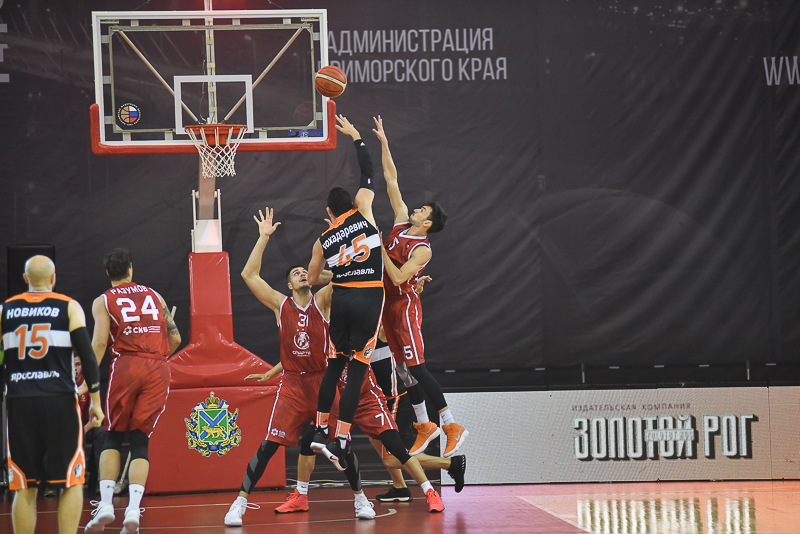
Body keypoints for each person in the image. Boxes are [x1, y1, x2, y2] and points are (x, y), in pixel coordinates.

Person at [224, 207, 343, 526]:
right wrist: (263, 237)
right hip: (293, 384)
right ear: (289, 285)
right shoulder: (281, 304)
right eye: (296, 273)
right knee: (269, 445)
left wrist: (336, 235)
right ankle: (239, 502)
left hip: (322, 381)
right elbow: (249, 275)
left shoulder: (322, 301)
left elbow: (345, 276)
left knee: (340, 443)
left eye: (305, 271)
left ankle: (359, 498)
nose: (303, 273)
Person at [372, 115, 468, 458]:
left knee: (416, 367)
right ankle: (425, 425)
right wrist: (384, 144)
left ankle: (451, 424)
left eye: (422, 209)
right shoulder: (400, 225)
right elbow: (391, 179)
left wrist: (379, 249)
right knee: (403, 371)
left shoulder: (423, 248)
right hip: (387, 307)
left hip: (404, 307)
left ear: (427, 223)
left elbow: (399, 278)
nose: (415, 208)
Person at [1, 255, 104, 534]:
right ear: (53, 278)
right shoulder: (68, 306)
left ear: (25, 279)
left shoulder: (5, 310)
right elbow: (88, 356)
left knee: (25, 485)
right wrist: (95, 401)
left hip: (21, 402)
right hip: (60, 400)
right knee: (71, 481)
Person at [307, 114, 384, 470]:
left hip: (341, 298)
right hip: (368, 297)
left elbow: (312, 278)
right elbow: (369, 173)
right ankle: (340, 437)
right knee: (357, 371)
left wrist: (337, 268)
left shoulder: (323, 239)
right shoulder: (364, 209)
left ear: (328, 212)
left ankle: (319, 428)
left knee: (334, 364)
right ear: (351, 204)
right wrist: (356, 137)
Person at [85, 249, 180, 534]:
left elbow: (99, 343)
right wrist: (157, 358)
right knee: (140, 441)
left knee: (113, 436)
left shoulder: (103, 300)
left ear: (108, 273)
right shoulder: (155, 295)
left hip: (127, 365)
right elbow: (175, 338)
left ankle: (105, 504)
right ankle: (133, 509)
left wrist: (86, 381)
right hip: (158, 366)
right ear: (130, 270)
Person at [75, 354, 108, 495]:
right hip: (69, 426)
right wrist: (81, 431)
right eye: (72, 365)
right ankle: (62, 484)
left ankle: (101, 481)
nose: (75, 368)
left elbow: (95, 414)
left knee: (100, 432)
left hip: (86, 423)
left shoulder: (88, 382)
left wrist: (85, 428)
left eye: (78, 365)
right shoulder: (63, 383)